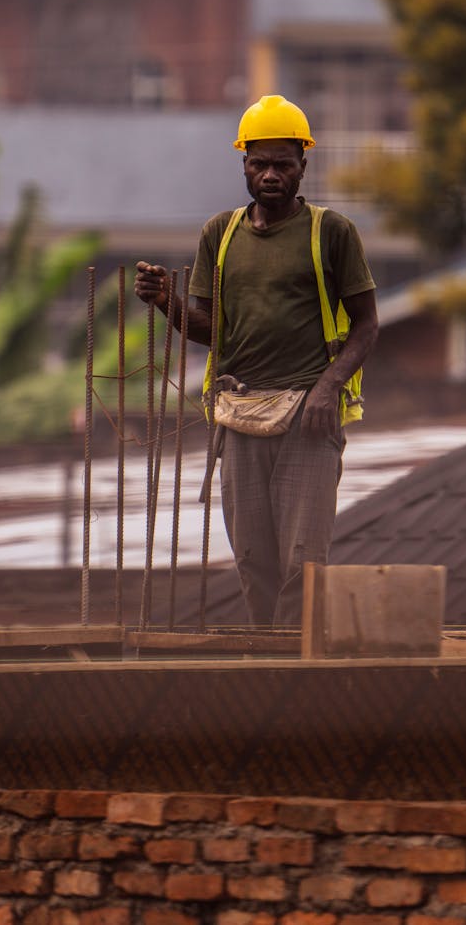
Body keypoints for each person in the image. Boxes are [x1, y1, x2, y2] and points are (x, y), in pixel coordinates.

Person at [134, 94, 378, 626]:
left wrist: (329, 387)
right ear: (244, 165)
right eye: (258, 163)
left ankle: (296, 678)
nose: (270, 174)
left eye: (282, 164)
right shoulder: (219, 235)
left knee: (302, 562)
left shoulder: (330, 233)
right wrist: (164, 301)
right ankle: (265, 667)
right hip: (240, 415)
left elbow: (366, 324)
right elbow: (212, 330)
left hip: (308, 419)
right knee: (252, 560)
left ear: (302, 167)